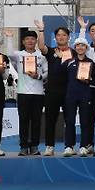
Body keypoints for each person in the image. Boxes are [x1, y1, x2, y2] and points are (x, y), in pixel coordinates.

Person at [5, 30, 47, 156]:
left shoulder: (42, 56)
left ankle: (34, 146)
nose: (30, 41)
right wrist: (10, 38)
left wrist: (38, 76)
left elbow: (47, 72)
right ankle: (23, 146)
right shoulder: (19, 55)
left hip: (39, 93)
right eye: (27, 39)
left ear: (36, 41)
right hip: (22, 92)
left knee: (36, 121)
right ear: (23, 42)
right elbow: (9, 54)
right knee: (23, 120)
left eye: (32, 39)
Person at [35, 21, 74, 156]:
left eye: (64, 35)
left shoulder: (74, 53)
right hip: (52, 91)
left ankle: (69, 146)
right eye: (58, 35)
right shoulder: (51, 51)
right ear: (55, 38)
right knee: (50, 119)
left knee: (70, 119)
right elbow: (41, 46)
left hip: (69, 91)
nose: (61, 37)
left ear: (68, 37)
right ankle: (49, 146)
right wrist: (41, 30)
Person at [63, 37, 95, 157]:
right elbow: (63, 78)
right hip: (71, 95)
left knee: (85, 122)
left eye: (82, 46)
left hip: (85, 96)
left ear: (86, 48)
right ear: (75, 48)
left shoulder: (91, 63)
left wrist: (88, 80)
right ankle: (69, 146)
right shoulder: (69, 62)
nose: (80, 48)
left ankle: (83, 146)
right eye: (78, 46)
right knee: (70, 121)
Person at [77, 16, 95, 154]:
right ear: (89, 34)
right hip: (88, 88)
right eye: (92, 30)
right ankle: (88, 144)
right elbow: (80, 43)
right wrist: (82, 28)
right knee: (88, 118)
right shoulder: (86, 49)